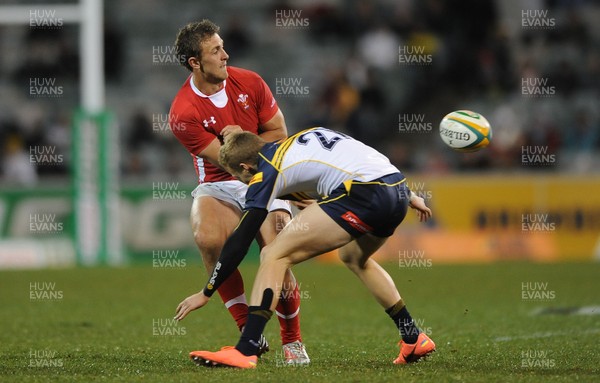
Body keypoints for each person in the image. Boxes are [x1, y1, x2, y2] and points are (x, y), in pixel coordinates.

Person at [174, 127, 437, 368]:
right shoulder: (302, 141)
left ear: (245, 166)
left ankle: (246, 349)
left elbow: (241, 240)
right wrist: (411, 195)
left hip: (363, 194)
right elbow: (359, 155)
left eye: (238, 177)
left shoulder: (265, 171)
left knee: (274, 255)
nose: (243, 184)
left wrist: (207, 291)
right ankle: (413, 336)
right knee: (354, 258)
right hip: (397, 190)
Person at [169, 19, 310, 365]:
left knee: (276, 250)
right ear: (195, 63)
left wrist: (285, 186)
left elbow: (278, 132)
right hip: (221, 181)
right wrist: (241, 145)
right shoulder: (183, 113)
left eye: (223, 46)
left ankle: (292, 340)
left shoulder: (250, 82)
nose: (225, 54)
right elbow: (232, 165)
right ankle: (250, 333)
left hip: (265, 172)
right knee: (208, 238)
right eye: (215, 50)